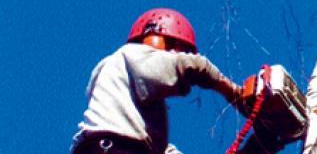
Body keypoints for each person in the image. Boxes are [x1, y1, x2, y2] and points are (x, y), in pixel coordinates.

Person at [71, 8, 248, 154]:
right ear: (154, 37)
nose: (176, 56)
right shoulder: (132, 55)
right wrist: (235, 93)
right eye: (177, 49)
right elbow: (194, 66)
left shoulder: (130, 107)